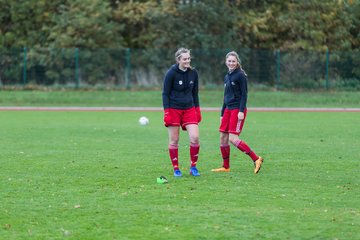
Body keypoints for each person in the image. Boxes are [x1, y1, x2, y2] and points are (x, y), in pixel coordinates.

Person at [211, 51, 264, 174]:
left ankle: (256, 159)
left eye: (233, 61)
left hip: (237, 109)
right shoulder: (227, 76)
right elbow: (225, 96)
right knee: (223, 138)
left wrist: (241, 111)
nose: (231, 63)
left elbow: (244, 95)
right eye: (229, 61)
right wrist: (222, 113)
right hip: (228, 110)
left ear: (237, 62)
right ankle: (226, 167)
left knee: (233, 139)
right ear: (226, 62)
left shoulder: (241, 75)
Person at [162, 47, 201, 177]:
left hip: (189, 109)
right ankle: (176, 168)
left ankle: (193, 167)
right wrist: (166, 111)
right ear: (178, 60)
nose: (187, 61)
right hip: (173, 109)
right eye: (184, 59)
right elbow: (165, 94)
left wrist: (197, 109)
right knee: (174, 140)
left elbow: (195, 93)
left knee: (195, 138)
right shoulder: (171, 73)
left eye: (189, 58)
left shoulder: (193, 73)